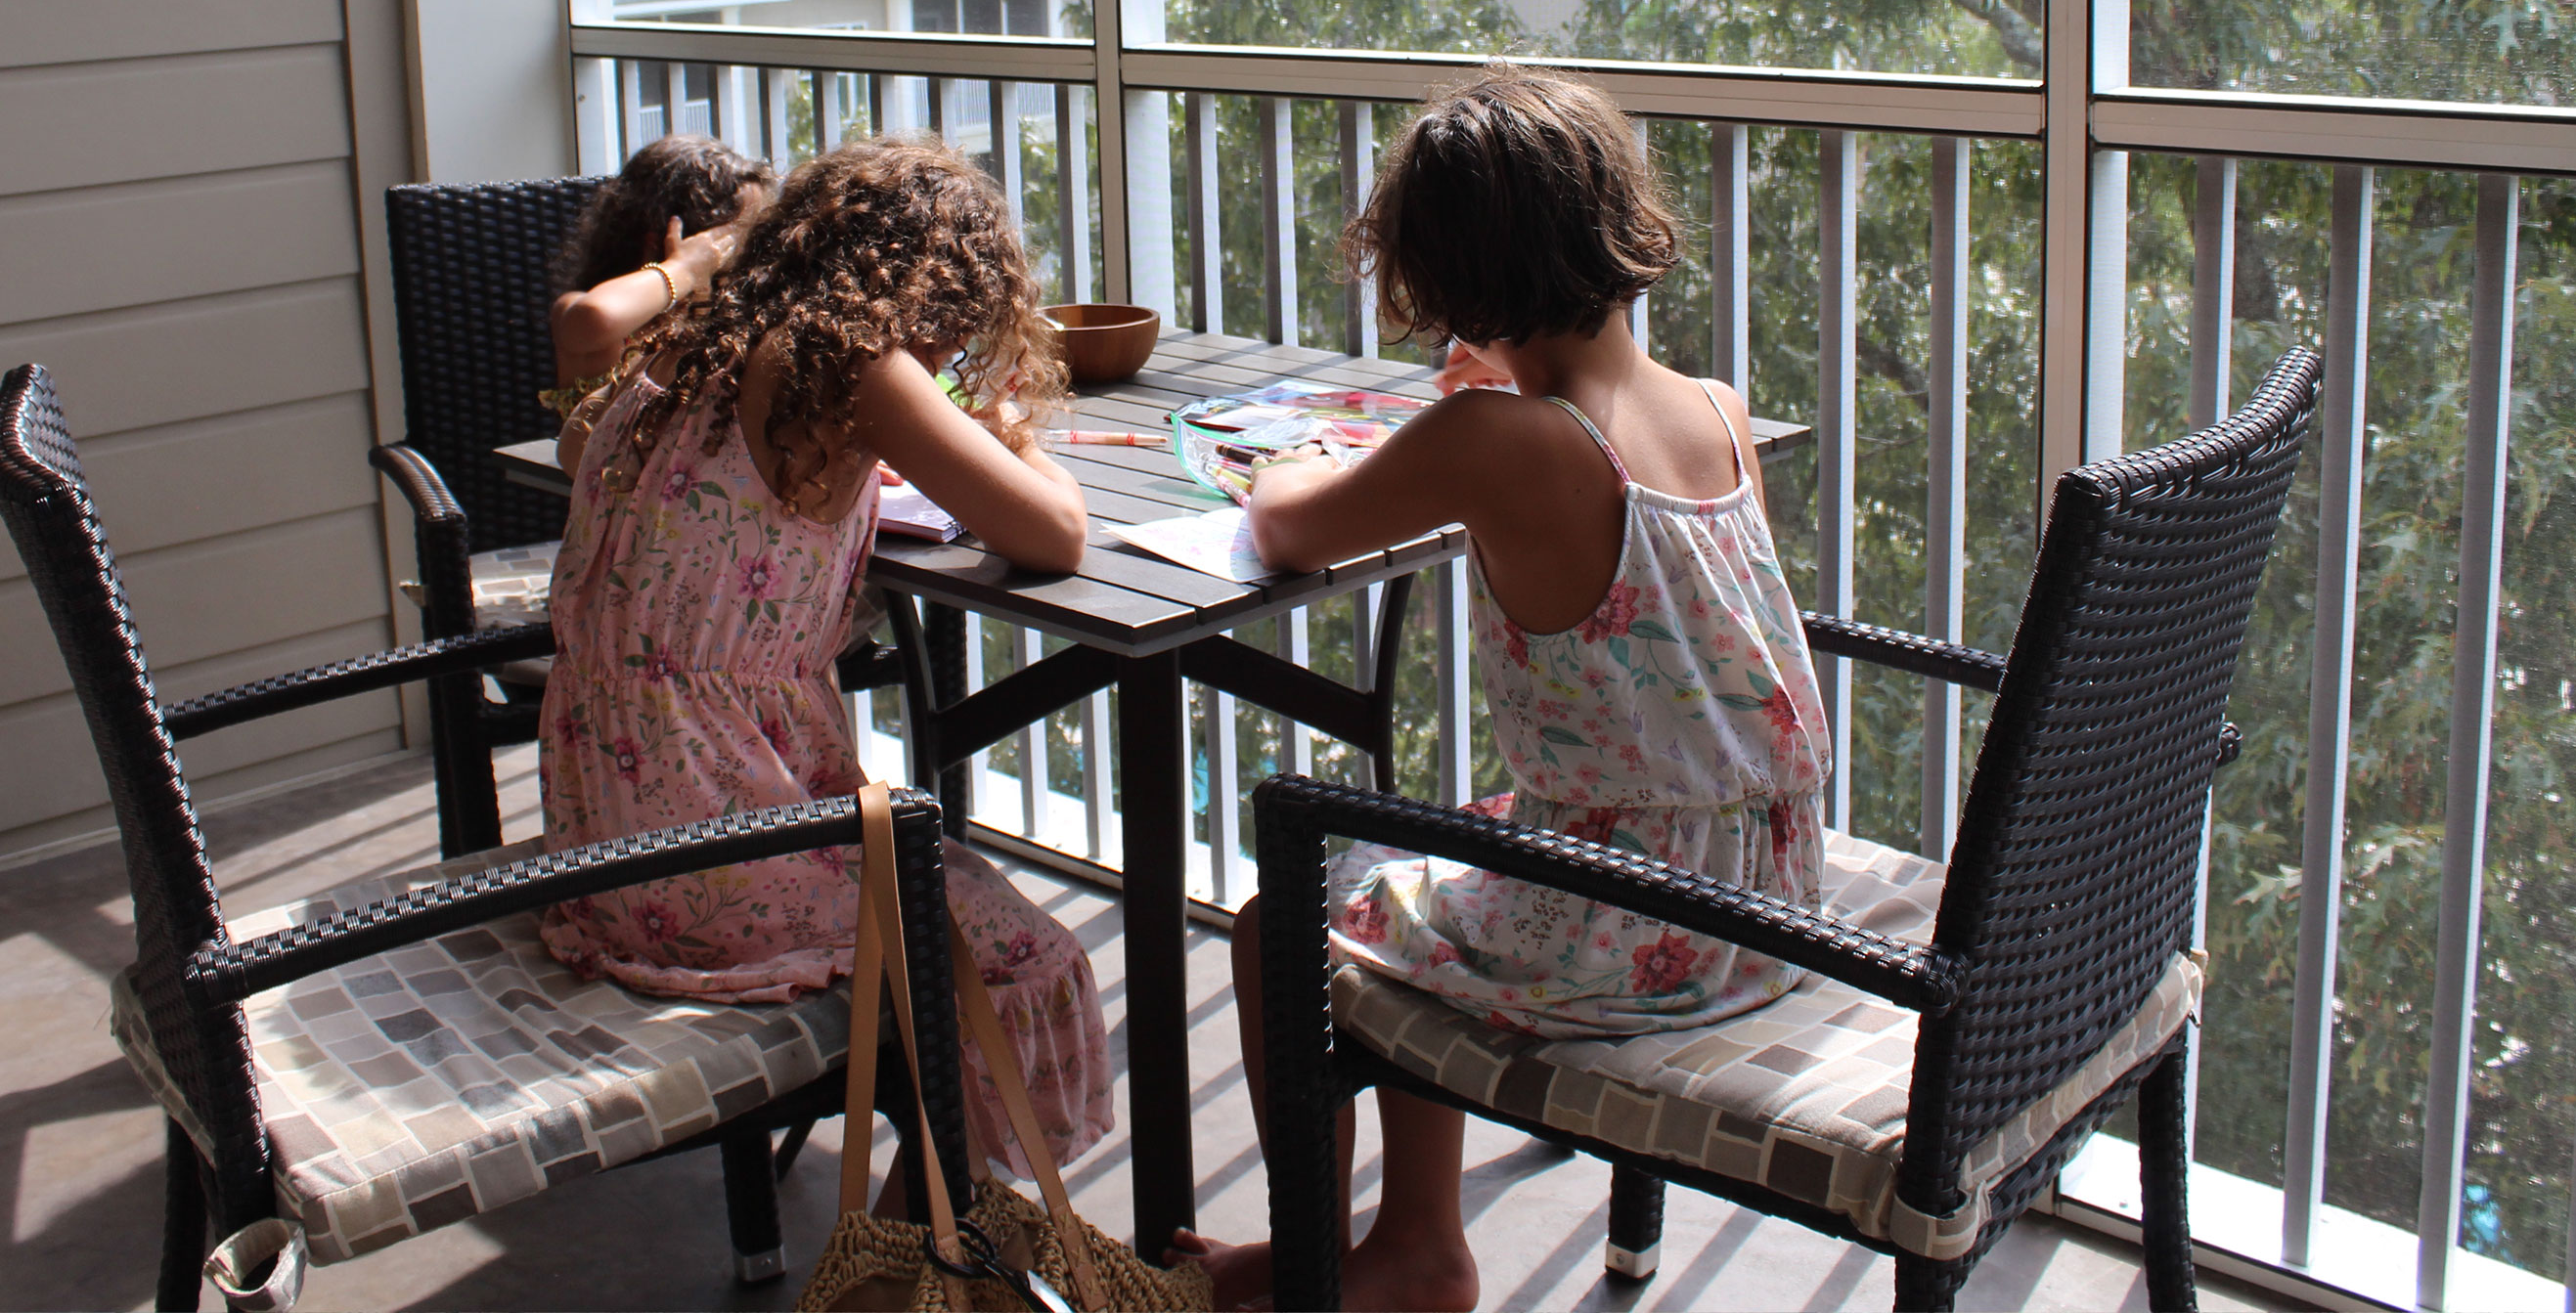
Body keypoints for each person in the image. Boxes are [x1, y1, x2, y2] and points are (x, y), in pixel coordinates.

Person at [1177, 67, 1831, 1311]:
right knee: (1452, 853)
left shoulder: (1497, 440)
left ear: (1453, 276)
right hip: (1766, 888)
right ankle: (1418, 1247)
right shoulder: (1716, 409)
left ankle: (1331, 1259)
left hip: (1637, 921)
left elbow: (1290, 529)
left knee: (1283, 921)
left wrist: (1304, 459)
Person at [540, 137, 1111, 1174]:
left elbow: (589, 446)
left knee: (947, 902)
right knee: (1031, 964)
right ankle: (923, 1264)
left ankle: (929, 1249)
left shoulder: (692, 345)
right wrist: (1009, 430)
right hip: (707, 847)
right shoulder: (859, 369)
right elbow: (1055, 534)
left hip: (599, 838)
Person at [541, 133, 777, 421]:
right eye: (730, 244)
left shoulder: (715, 322)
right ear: (661, 240)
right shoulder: (584, 314)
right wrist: (686, 269)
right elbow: (595, 315)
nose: (750, 257)